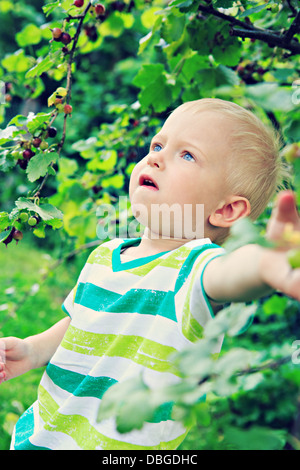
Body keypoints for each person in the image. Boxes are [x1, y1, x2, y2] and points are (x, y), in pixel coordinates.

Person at [1, 98, 300, 450]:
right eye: (158, 144)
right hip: (45, 432)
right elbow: (85, 322)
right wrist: (33, 351)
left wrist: (265, 264)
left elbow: (233, 275)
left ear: (226, 209)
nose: (155, 157)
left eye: (187, 155)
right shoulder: (105, 255)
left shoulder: (197, 269)